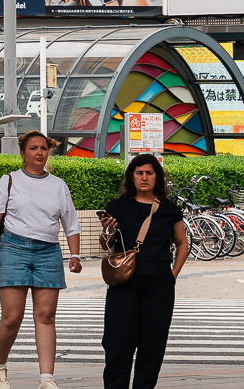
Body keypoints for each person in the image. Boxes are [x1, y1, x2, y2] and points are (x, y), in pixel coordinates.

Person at [0, 131, 81, 389]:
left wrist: (75, 255)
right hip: (13, 249)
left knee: (46, 315)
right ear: (23, 153)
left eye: (44, 148)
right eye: (33, 148)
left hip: (48, 252)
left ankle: (47, 378)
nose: (39, 152)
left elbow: (71, 223)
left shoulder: (58, 185)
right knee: (12, 317)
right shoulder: (9, 181)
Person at [99, 154, 188, 389]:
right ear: (131, 176)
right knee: (118, 345)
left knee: (153, 346)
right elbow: (107, 245)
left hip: (159, 286)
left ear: (157, 176)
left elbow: (182, 243)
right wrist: (107, 232)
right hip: (123, 286)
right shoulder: (116, 207)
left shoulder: (169, 209)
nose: (144, 177)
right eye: (139, 173)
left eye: (149, 173)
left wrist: (173, 274)